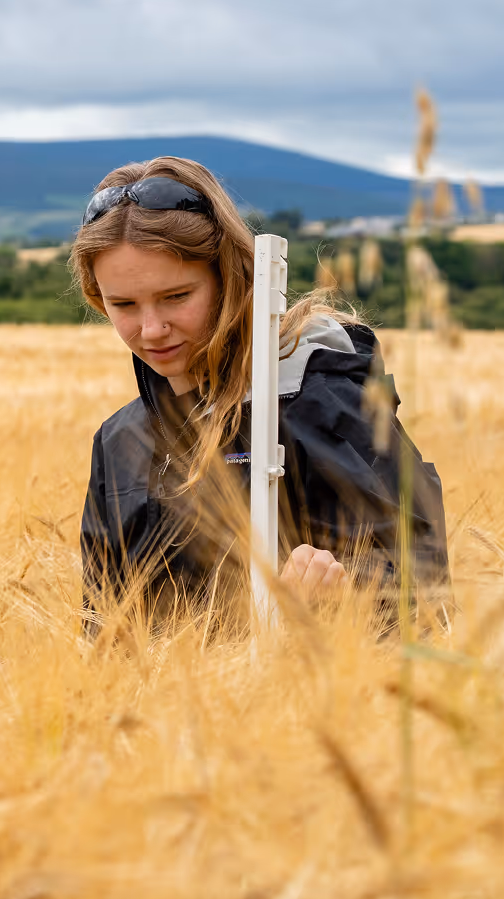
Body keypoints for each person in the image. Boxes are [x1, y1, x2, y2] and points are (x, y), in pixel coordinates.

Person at [72, 157, 447, 627]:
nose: (151, 329)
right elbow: (99, 630)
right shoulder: (120, 440)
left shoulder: (321, 402)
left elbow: (424, 590)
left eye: (176, 297)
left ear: (231, 278)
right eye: (123, 304)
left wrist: (345, 590)